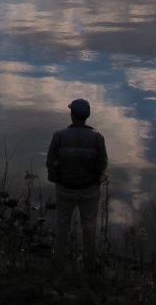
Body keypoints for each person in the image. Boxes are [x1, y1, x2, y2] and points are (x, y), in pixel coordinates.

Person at [46, 98, 108, 271]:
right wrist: (96, 180)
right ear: (87, 116)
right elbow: (102, 164)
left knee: (62, 225)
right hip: (89, 189)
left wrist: (55, 178)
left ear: (71, 115)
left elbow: (51, 162)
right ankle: (89, 266)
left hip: (65, 188)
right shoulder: (97, 137)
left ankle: (59, 264)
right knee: (89, 226)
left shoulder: (59, 136)